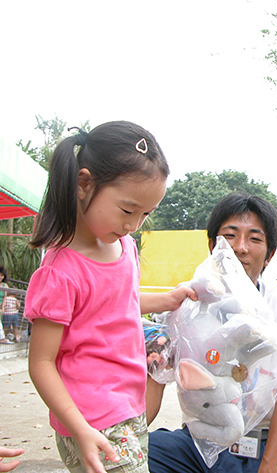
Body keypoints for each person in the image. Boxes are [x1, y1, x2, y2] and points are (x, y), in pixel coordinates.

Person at [24, 121, 196, 473]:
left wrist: (168, 300)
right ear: (85, 184)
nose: (134, 224)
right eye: (127, 210)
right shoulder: (60, 271)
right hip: (90, 416)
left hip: (128, 406)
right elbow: (41, 362)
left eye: (145, 214)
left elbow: (120, 303)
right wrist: (79, 428)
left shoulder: (124, 247)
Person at [147, 193, 277, 473]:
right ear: (212, 246)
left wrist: (269, 468)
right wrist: (122, 443)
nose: (240, 248)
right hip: (197, 443)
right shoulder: (187, 299)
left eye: (255, 239)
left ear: (270, 254)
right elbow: (155, 378)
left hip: (256, 451)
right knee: (141, 455)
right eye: (229, 236)